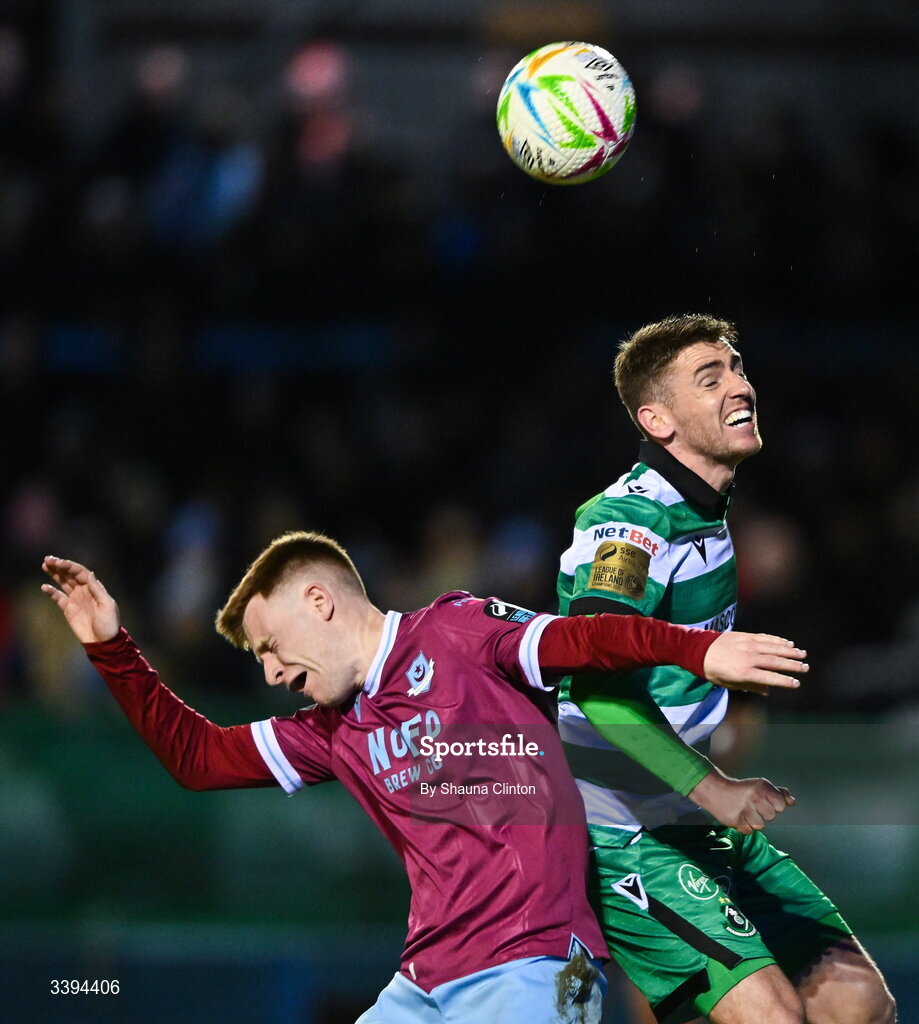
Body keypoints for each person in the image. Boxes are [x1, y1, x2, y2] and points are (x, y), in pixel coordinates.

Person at [41, 529, 809, 1024]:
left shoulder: (460, 632)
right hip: (421, 987)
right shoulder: (332, 729)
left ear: (319, 601)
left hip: (534, 968)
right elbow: (198, 759)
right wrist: (112, 650)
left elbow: (587, 640)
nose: (271, 672)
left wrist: (695, 651)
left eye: (270, 646)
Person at [556, 313, 897, 1024]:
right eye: (709, 379)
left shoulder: (707, 511)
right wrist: (708, 785)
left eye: (737, 368)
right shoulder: (629, 522)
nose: (739, 386)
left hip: (687, 821)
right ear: (657, 419)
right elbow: (592, 679)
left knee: (856, 1003)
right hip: (621, 832)